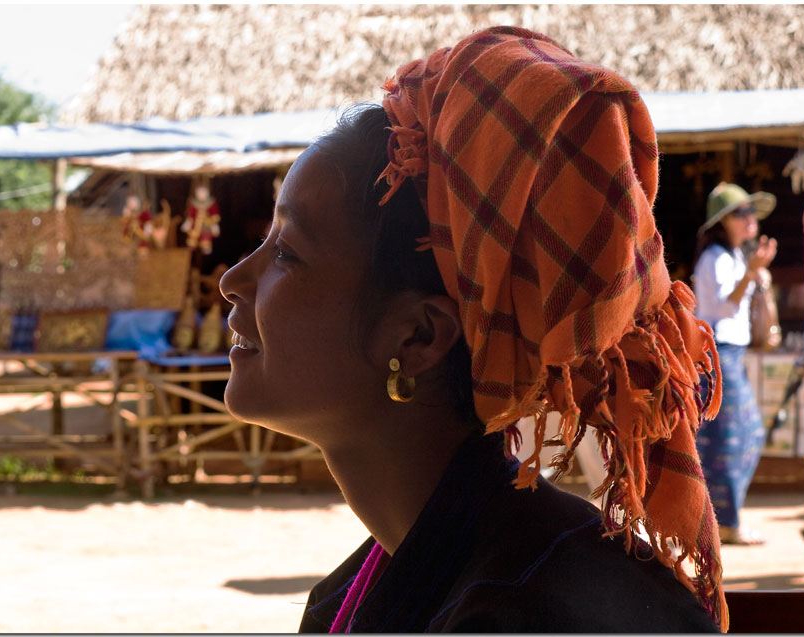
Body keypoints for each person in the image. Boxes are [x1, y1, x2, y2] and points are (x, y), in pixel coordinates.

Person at [221, 27, 726, 632]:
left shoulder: (527, 612)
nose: (233, 279)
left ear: (418, 338)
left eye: (289, 253)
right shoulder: (371, 588)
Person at [692, 182, 777, 547]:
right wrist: (751, 273)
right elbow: (724, 307)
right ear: (724, 221)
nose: (750, 219)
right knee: (731, 439)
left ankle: (718, 520)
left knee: (737, 437)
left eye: (750, 212)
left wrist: (756, 273)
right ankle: (725, 522)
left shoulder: (734, 257)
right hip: (719, 354)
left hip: (730, 355)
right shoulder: (714, 258)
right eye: (742, 213)